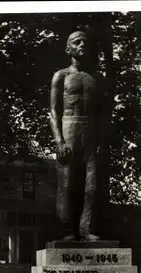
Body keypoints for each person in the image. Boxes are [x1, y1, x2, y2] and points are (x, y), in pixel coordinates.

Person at [50, 30, 107, 241]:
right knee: (67, 183)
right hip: (69, 128)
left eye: (85, 41)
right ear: (68, 49)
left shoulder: (95, 79)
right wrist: (59, 141)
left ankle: (86, 229)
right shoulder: (61, 76)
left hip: (90, 130)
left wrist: (101, 140)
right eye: (77, 41)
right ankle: (67, 231)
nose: (82, 44)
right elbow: (54, 110)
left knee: (91, 184)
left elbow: (101, 113)